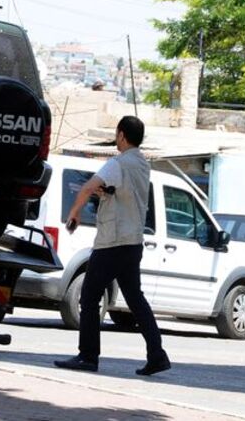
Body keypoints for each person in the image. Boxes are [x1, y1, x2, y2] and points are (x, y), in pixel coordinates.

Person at [53, 116, 171, 377]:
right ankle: (157, 354)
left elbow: (87, 187)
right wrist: (108, 193)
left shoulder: (117, 163)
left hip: (112, 242)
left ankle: (88, 356)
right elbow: (124, 193)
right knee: (136, 299)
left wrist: (74, 212)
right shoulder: (142, 164)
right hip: (133, 242)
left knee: (90, 295)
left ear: (120, 135)